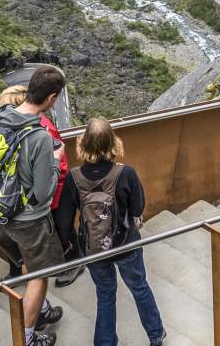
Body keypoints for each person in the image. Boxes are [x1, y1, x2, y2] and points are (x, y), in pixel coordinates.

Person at [0, 69, 68, 346]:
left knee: (27, 264)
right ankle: (26, 337)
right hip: (28, 221)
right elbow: (42, 194)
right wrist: (54, 159)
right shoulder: (39, 136)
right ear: (51, 97)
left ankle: (40, 309)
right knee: (39, 276)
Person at [60, 117, 167, 346]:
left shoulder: (73, 177)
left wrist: (71, 248)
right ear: (113, 143)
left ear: (83, 144)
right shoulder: (126, 173)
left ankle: (105, 343)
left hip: (93, 249)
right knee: (139, 287)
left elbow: (65, 220)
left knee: (105, 296)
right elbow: (138, 207)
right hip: (125, 244)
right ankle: (155, 334)